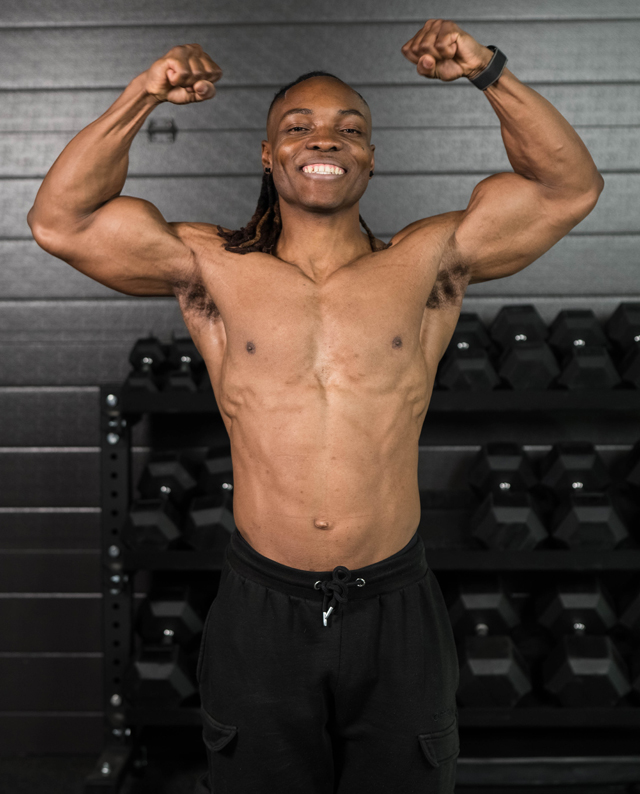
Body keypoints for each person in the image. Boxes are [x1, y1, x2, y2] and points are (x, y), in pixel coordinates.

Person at [27, 19, 603, 794]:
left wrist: (489, 71)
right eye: (297, 127)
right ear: (268, 154)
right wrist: (143, 94)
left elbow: (568, 188)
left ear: (371, 156)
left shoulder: (429, 261)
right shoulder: (209, 267)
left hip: (395, 604)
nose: (324, 139)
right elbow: (59, 222)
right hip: (261, 609)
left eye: (349, 129)